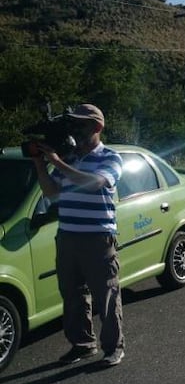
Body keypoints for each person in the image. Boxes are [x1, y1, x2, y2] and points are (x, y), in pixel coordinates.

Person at [31, 104, 125, 367]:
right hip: (67, 236)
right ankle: (83, 344)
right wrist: (41, 165)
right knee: (72, 295)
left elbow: (95, 184)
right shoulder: (69, 159)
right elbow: (51, 193)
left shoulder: (110, 157)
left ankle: (113, 348)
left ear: (97, 127)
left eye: (81, 124)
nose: (76, 129)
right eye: (74, 124)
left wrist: (57, 162)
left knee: (105, 295)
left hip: (98, 238)